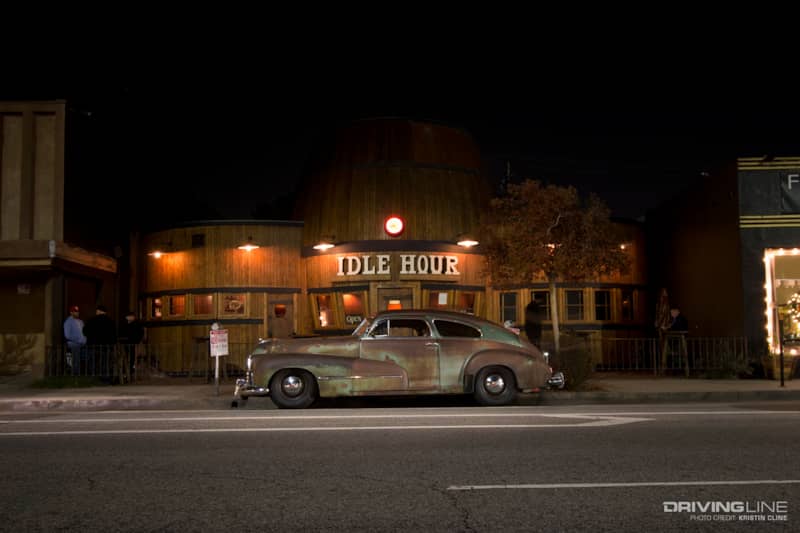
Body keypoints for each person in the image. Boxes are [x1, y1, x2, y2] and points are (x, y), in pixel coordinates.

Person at [84, 305, 117, 381]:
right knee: (105, 362)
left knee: (92, 361)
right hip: (106, 346)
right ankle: (105, 377)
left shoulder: (91, 320)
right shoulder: (110, 321)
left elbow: (85, 331)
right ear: (105, 312)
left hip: (93, 345)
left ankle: (92, 377)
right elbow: (114, 334)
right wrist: (112, 344)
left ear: (98, 311)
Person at [119, 311, 145, 381]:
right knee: (126, 358)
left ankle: (130, 372)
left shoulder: (137, 324)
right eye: (127, 316)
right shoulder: (124, 325)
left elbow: (140, 334)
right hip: (126, 344)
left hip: (134, 344)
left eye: (129, 316)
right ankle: (127, 373)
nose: (128, 318)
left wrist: (136, 341)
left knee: (132, 358)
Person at [63, 305, 86, 372]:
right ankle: (73, 374)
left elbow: (84, 332)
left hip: (82, 344)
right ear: (71, 312)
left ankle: (78, 373)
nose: (77, 313)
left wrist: (84, 340)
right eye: (75, 312)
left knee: (79, 361)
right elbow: (67, 335)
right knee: (73, 362)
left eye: (77, 312)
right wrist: (78, 339)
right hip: (73, 344)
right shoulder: (68, 322)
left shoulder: (81, 322)